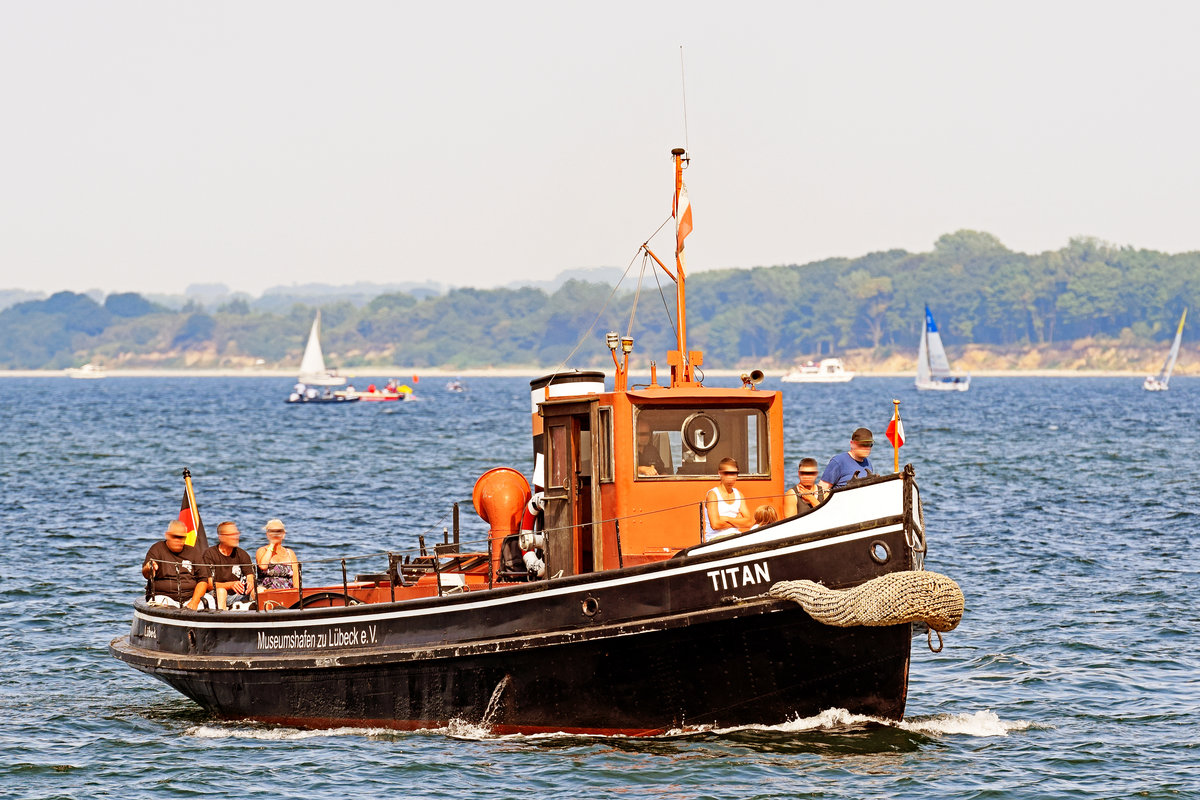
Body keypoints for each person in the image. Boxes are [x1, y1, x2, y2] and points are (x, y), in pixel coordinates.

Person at [141, 519, 210, 610]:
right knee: (160, 605)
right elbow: (146, 575)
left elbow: (203, 580)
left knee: (210, 601)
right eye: (175, 537)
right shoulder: (156, 549)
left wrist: (194, 602)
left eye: (182, 537)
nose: (178, 540)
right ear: (167, 535)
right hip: (163, 597)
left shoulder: (193, 552)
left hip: (190, 598)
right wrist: (149, 568)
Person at [202, 521, 256, 610]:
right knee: (221, 592)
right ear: (221, 537)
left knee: (258, 590)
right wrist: (230, 585)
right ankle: (223, 618)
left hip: (237, 594)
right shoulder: (209, 554)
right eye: (232, 534)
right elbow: (208, 584)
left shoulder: (242, 554)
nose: (236, 537)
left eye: (236, 534)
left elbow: (250, 577)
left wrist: (250, 584)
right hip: (215, 594)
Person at [703, 457, 754, 541]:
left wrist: (726, 518)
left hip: (736, 536)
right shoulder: (713, 494)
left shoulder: (739, 495)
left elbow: (748, 522)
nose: (731, 477)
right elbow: (715, 525)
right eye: (727, 473)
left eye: (734, 473)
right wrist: (738, 521)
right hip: (716, 539)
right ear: (720, 473)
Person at [819, 427, 875, 493]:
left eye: (869, 444)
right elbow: (821, 491)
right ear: (852, 444)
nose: (866, 448)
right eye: (863, 444)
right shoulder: (838, 462)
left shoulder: (868, 463)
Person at [256, 518, 300, 590]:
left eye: (278, 531)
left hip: (287, 590)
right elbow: (263, 566)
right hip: (267, 591)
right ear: (267, 534)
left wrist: (296, 592)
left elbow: (296, 577)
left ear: (283, 534)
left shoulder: (290, 553)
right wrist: (272, 544)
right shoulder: (262, 550)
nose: (275, 534)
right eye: (272, 531)